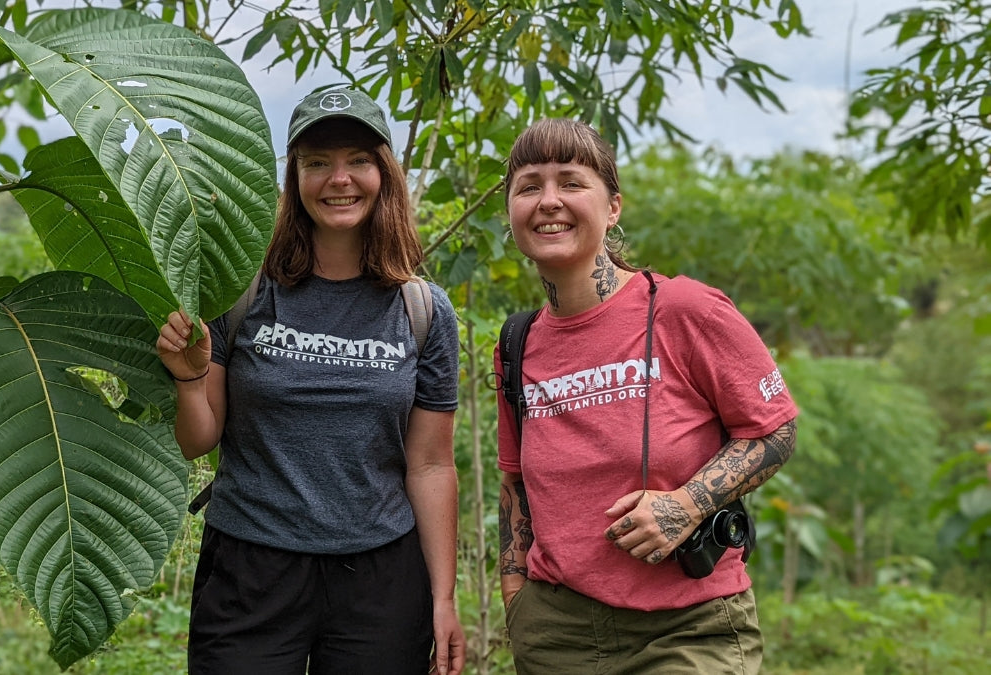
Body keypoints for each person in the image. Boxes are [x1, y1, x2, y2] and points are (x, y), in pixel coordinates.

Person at [156, 87, 466, 675]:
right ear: (294, 177)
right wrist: (191, 379)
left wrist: (444, 599)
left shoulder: (424, 311)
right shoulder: (244, 293)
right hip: (251, 569)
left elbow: (429, 464)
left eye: (357, 160)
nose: (338, 179)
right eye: (316, 162)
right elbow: (197, 439)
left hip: (379, 577)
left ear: (385, 173)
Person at [493, 118, 798, 673]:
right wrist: (515, 593)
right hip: (556, 634)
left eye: (571, 182)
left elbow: (775, 429)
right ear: (510, 212)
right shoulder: (518, 341)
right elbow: (515, 482)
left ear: (612, 208)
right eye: (529, 186)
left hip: (689, 625)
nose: (549, 201)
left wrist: (688, 504)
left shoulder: (687, 310)